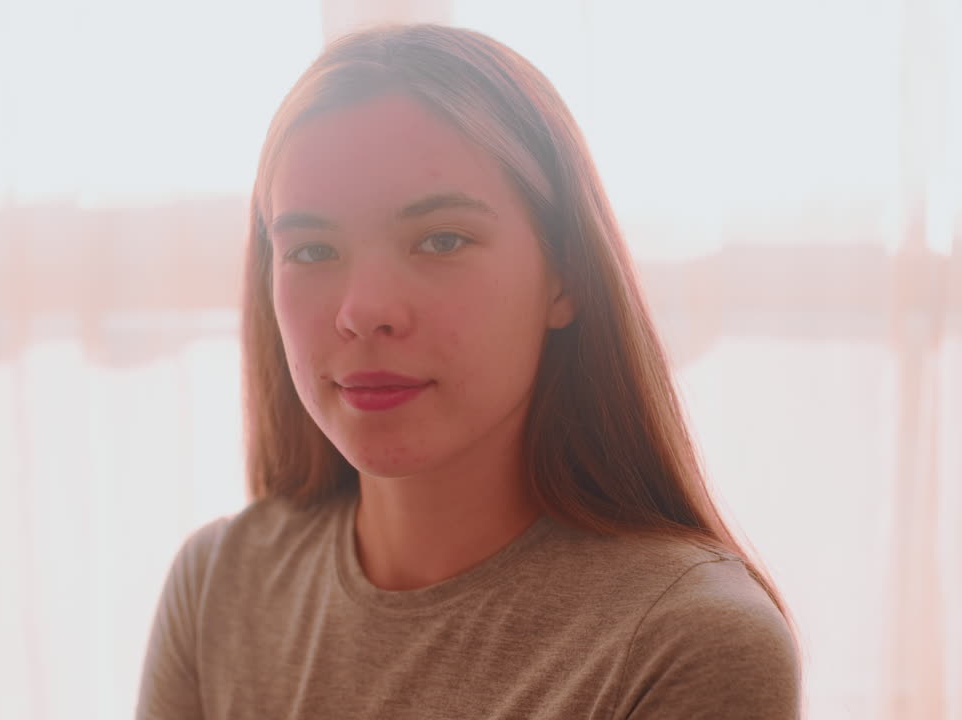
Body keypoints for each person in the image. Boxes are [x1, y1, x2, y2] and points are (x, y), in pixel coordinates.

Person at [136, 23, 800, 719]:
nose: (364, 312)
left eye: (441, 239)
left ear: (565, 274)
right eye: (310, 250)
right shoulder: (218, 586)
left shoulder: (686, 642)